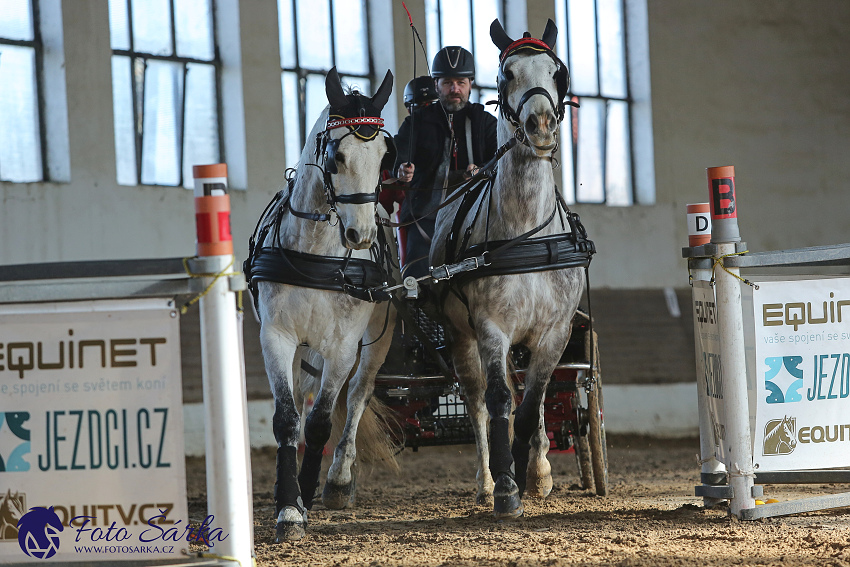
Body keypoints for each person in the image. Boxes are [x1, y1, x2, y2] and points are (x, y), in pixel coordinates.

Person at [393, 46, 498, 278]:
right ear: (435, 85)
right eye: (447, 82)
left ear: (470, 83)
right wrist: (401, 169)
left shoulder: (486, 123)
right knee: (417, 276)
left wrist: (482, 170)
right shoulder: (416, 123)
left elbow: (502, 158)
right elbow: (396, 153)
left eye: (461, 82)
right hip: (427, 219)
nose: (455, 89)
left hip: (479, 217)